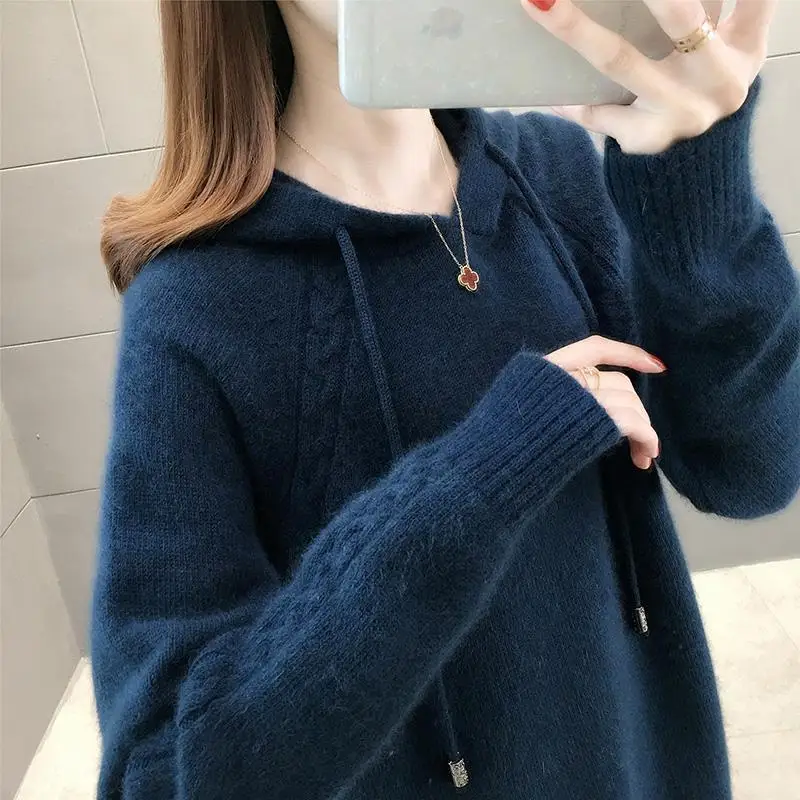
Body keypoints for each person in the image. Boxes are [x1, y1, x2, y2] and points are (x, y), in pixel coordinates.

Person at [91, 1, 800, 798]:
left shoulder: (558, 173)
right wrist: (488, 466)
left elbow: (751, 474)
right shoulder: (196, 304)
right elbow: (162, 771)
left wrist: (698, 179)